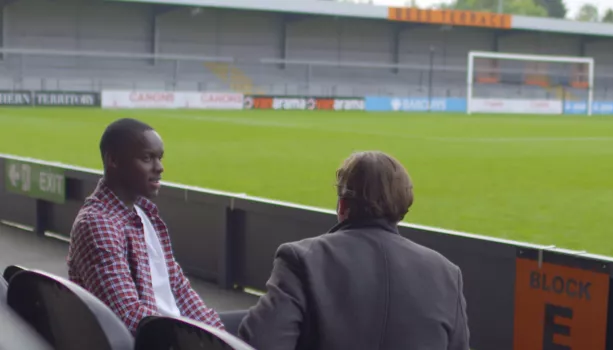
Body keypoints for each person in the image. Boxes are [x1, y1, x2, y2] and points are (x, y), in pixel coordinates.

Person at [238, 151, 470, 350]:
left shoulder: (302, 260)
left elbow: (258, 343)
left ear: (342, 205)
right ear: (402, 208)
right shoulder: (447, 274)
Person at [67, 118, 224, 335]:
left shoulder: (144, 213)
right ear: (113, 160)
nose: (160, 168)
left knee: (273, 316)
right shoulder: (98, 225)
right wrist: (196, 340)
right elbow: (128, 317)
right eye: (147, 158)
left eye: (159, 158)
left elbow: (177, 287)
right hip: (163, 339)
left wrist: (218, 336)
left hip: (176, 330)